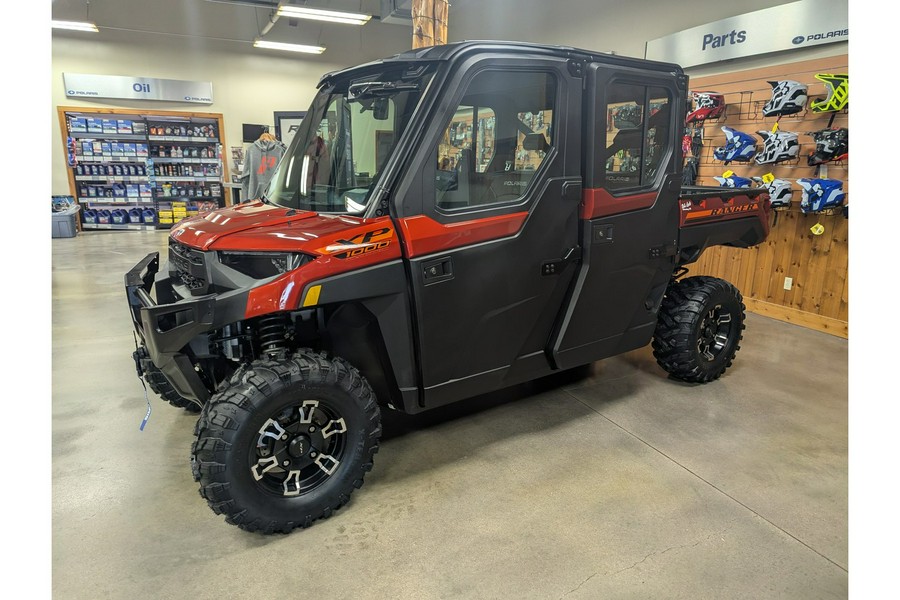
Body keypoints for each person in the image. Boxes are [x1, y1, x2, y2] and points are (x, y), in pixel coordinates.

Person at [241, 131, 286, 201]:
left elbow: (245, 177)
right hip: (275, 196)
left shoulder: (251, 150)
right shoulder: (280, 150)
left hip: (255, 195)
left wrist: (244, 200)